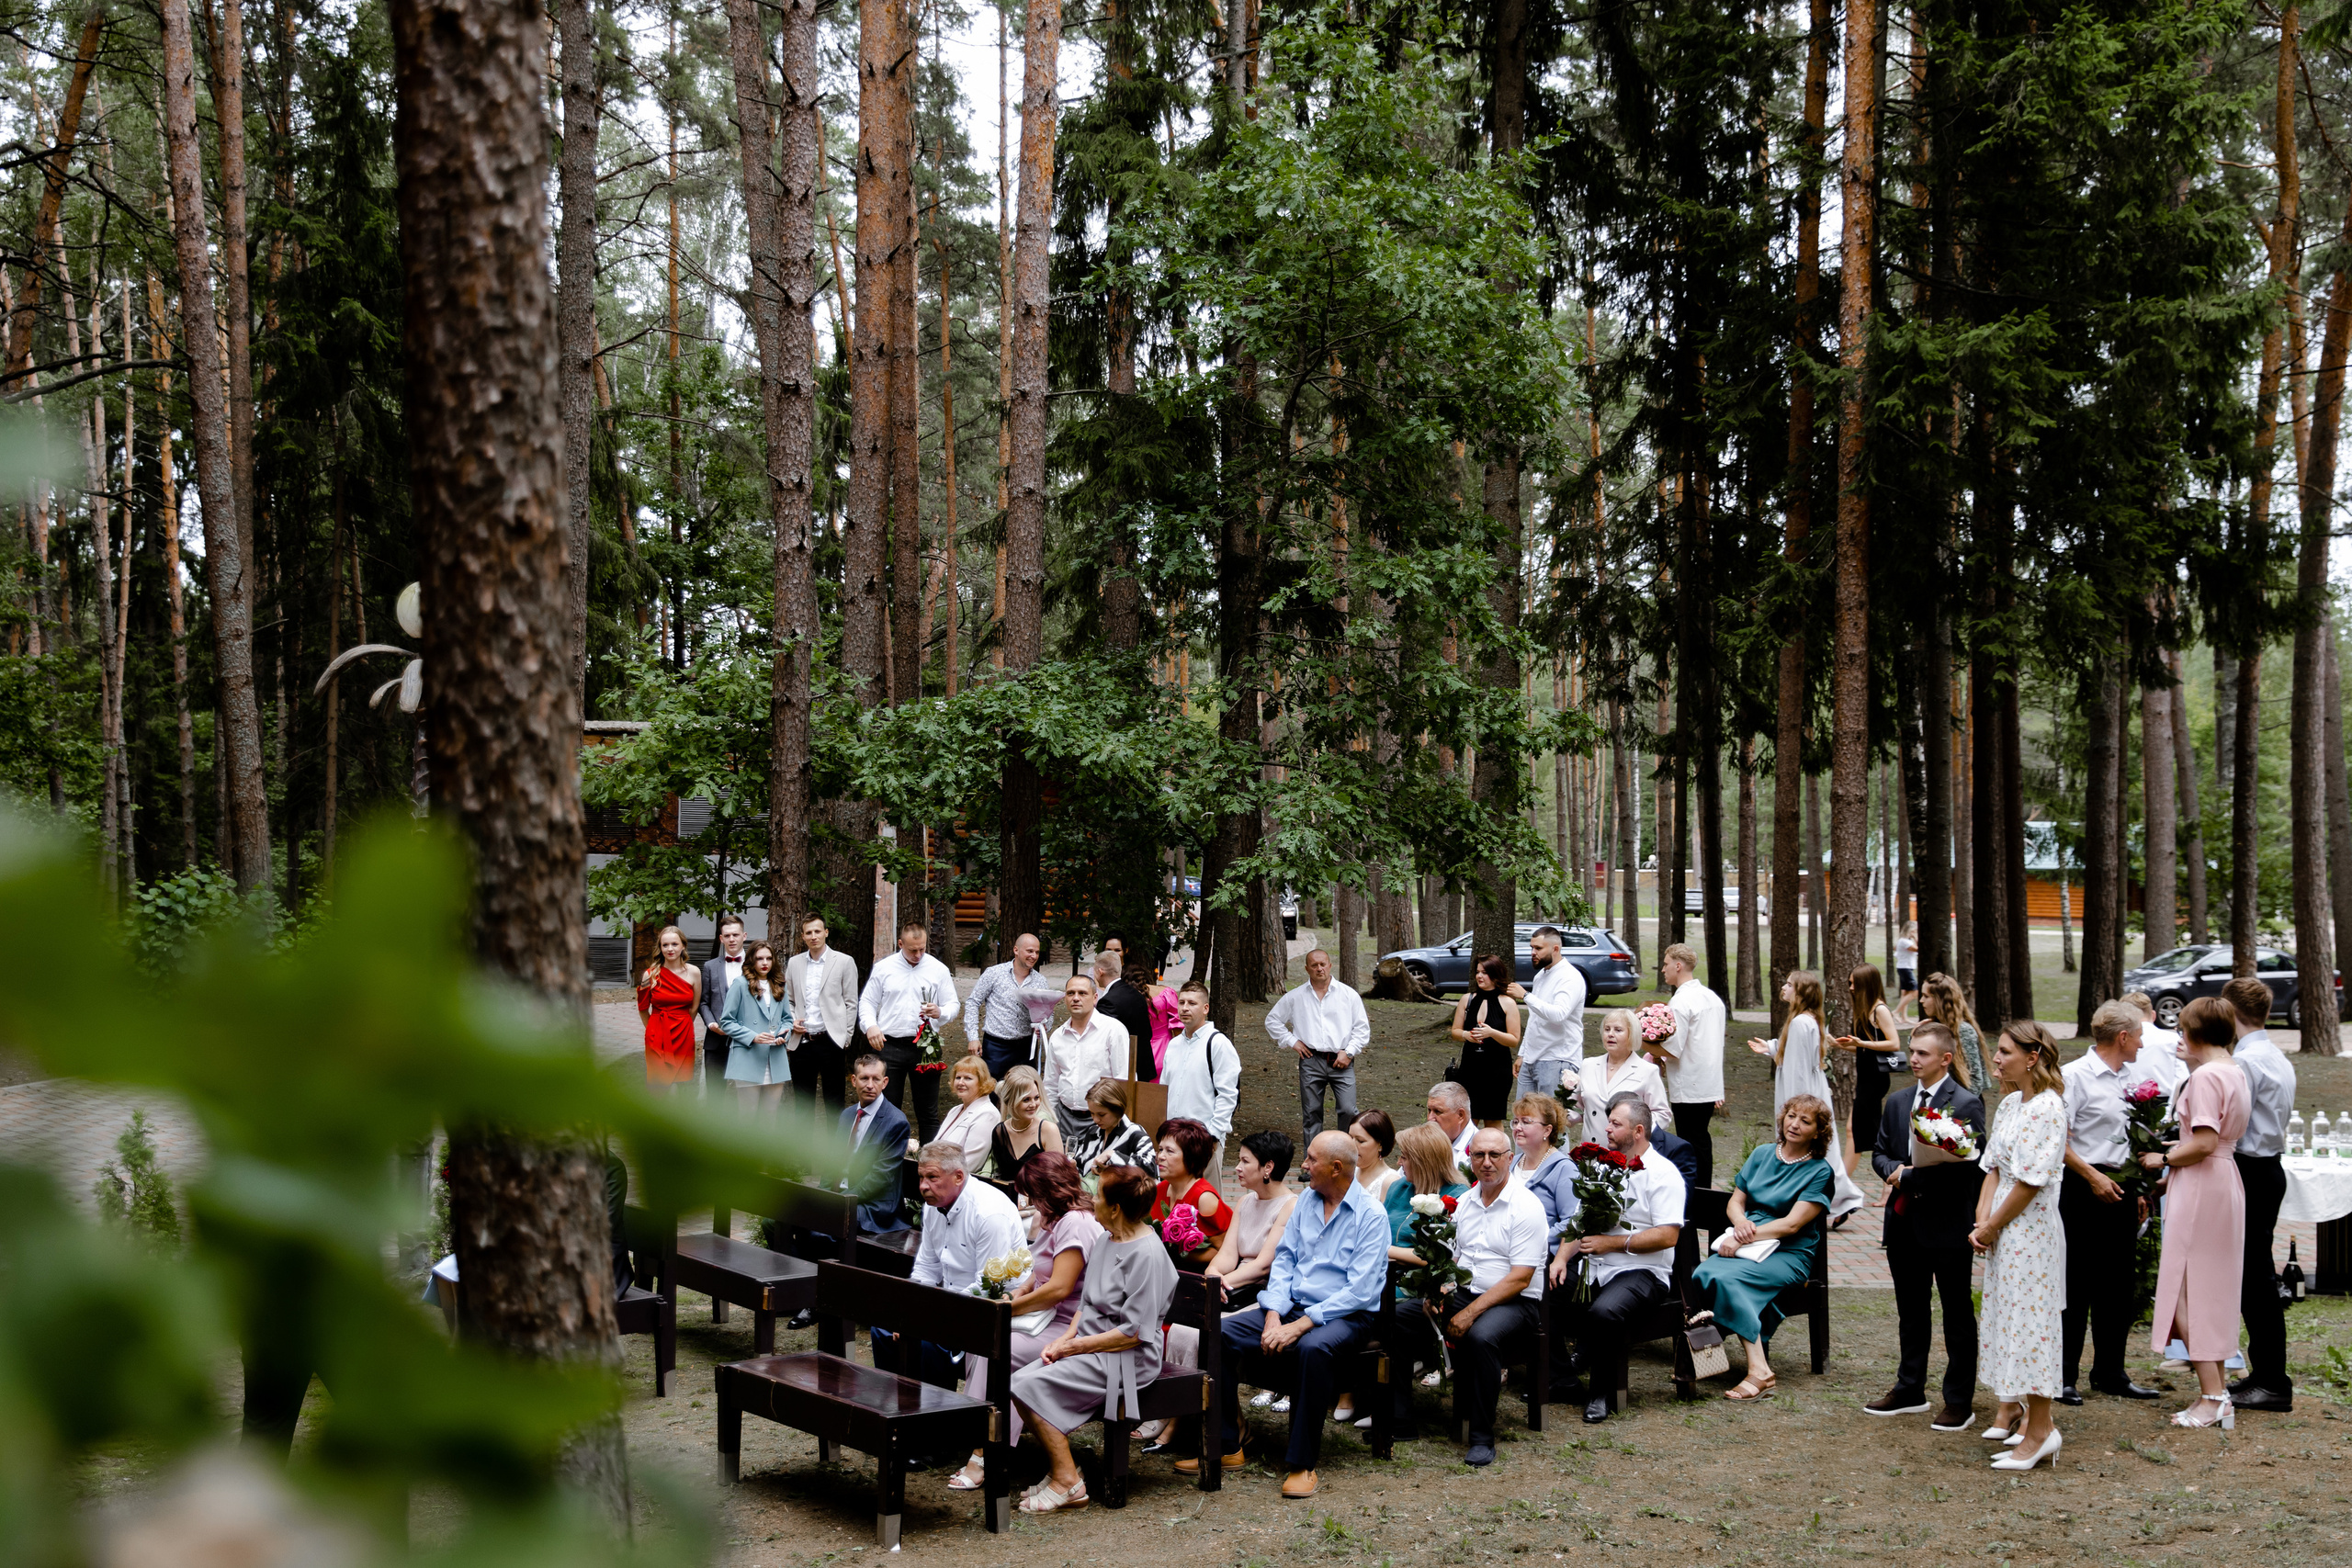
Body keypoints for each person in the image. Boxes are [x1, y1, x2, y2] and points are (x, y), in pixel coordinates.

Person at [1201, 1130, 1390, 1499]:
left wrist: (1301, 1325)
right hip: (1293, 1306)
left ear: (1336, 1168)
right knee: (1216, 1334)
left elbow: (1360, 1290)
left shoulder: (1371, 1215)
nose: (1303, 1166)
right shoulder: (1306, 1201)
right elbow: (1284, 1260)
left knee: (1312, 1349)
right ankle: (1228, 1445)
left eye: (1311, 1160)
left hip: (1346, 1315)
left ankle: (1303, 1463)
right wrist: (1273, 1312)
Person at [1008, 1165, 1181, 1514]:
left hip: (1129, 1357)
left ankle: (1067, 1482)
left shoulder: (1146, 1255)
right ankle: (1065, 1472)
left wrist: (1073, 1347)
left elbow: (1132, 1333)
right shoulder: (1106, 1238)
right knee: (1020, 1381)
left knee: (1026, 1385)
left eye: (1099, 1195)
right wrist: (1065, 1339)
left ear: (1115, 1208)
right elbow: (1086, 1304)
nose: (1092, 1200)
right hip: (1093, 1344)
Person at [946, 1151, 1103, 1490]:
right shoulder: (1053, 1219)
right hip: (1044, 1317)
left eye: (1034, 1193)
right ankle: (989, 1439)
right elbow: (1037, 1271)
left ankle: (985, 1452)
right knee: (983, 1345)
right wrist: (1017, 1295)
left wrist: (1009, 1310)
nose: (1031, 1201)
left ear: (1052, 1189)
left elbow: (1060, 1288)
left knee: (999, 1350)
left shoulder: (1077, 1222)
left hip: (1069, 1324)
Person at [1865, 1020, 1985, 1428]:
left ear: (1945, 1059)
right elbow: (1880, 1152)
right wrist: (1892, 1171)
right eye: (1912, 1051)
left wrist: (1910, 1176)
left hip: (1948, 1223)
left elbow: (1970, 1169)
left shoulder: (1966, 1103)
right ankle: (1909, 1388)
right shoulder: (1898, 1102)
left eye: (1922, 1054)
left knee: (1956, 1313)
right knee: (1911, 1310)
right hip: (1903, 1223)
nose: (1913, 1059)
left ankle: (1958, 1399)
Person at [2141, 996, 2252, 1430]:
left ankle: (2213, 1396)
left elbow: (2204, 1142)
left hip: (2204, 1182)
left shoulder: (2205, 1076)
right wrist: (2178, 1158)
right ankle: (2217, 1391)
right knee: (2210, 1288)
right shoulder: (2234, 1071)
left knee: (2187, 1290)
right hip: (2219, 1179)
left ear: (2193, 1032)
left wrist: (2161, 1160)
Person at [1415, 1127, 1549, 1462]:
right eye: (1479, 1155)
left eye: (1494, 1155)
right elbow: (1454, 1258)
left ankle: (1481, 1436)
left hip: (1516, 1302)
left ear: (1509, 1159)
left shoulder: (1526, 1206)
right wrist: (1439, 1291)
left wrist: (1469, 1312)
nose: (1486, 1163)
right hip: (1467, 1291)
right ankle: (1400, 1418)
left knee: (1481, 1337)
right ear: (1470, 1159)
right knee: (1405, 1316)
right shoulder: (1465, 1202)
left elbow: (1520, 1278)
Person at [1972, 1021, 2071, 1471]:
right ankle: (2028, 1422)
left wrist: (1993, 1226)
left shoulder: (2049, 1109)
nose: (1996, 1057)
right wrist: (1982, 1221)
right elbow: (1992, 1168)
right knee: (2011, 1323)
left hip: (2031, 1233)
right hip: (2002, 1229)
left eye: (2005, 1051)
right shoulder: (2012, 1103)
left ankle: (2042, 1431)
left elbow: (2030, 1183)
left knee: (2033, 1327)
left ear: (2032, 1058)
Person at [1692, 1094, 1838, 1401]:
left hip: (1790, 1252)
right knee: (1703, 1274)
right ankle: (1709, 1359)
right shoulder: (1761, 1154)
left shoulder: (1820, 1171)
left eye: (1805, 1121)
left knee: (1729, 1281)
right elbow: (1736, 1200)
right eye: (1791, 1116)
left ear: (1818, 1131)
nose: (1794, 1125)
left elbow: (1792, 1225)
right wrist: (1740, 1223)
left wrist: (1744, 1234)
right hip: (1749, 1239)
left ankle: (1759, 1370)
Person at [1554, 1096, 1686, 1426]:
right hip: (1595, 1266)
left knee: (1605, 1311)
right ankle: (1561, 1377)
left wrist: (1610, 1243)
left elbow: (1668, 1236)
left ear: (1638, 1131)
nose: (1607, 1128)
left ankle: (1602, 1393)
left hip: (1643, 1270)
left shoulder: (1663, 1174)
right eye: (1608, 1121)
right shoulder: (1601, 1167)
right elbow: (1579, 1220)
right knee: (1541, 1286)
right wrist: (1559, 1260)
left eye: (1615, 1123)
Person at [2056, 1001, 2164, 1405]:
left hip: (2122, 1189)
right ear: (2123, 1037)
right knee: (2077, 1282)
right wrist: (2093, 1177)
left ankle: (2110, 1372)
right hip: (2082, 1188)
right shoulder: (2074, 1077)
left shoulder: (2135, 1077)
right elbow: (2059, 1141)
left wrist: (2140, 1190)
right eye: (2138, 1035)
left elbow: (2139, 1139)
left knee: (2117, 1285)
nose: (2141, 1042)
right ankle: (2064, 1375)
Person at [875, 1141, 1028, 1395]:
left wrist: (929, 1317)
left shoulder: (989, 1214)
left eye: (932, 1177)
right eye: (921, 1177)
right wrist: (910, 1311)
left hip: (988, 1311)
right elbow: (926, 1267)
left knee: (926, 1342)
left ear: (958, 1176)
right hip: (948, 1303)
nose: (923, 1186)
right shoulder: (933, 1207)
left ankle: (938, 1416)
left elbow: (986, 1287)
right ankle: (895, 1405)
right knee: (883, 1329)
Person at [2222, 976, 2297, 1412]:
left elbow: (2232, 1122)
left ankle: (2272, 1381)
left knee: (2256, 1281)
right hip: (2268, 1167)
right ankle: (2264, 1373)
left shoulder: (2246, 1063)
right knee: (2255, 1276)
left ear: (2231, 1015)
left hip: (2251, 1169)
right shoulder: (2274, 1055)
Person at [1753, 970, 1864, 1219]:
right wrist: (1770, 1047)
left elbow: (1799, 1065)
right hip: (1809, 1087)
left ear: (1801, 992)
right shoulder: (1807, 1019)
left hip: (1802, 1089)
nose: (1784, 987)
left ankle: (1835, 1198)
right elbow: (1796, 1051)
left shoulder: (1801, 1023)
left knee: (1810, 1146)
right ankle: (1838, 1198)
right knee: (1821, 1146)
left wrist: (1795, 1108)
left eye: (1789, 984)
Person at [1381, 1122, 1472, 1406]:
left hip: (1425, 1283)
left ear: (1423, 1161)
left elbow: (1433, 1256)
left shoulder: (1455, 1196)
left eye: (1405, 1156)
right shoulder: (1400, 1188)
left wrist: (1385, 1250)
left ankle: (1383, 1401)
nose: (1399, 1162)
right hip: (1385, 1272)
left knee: (1377, 1313)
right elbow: (1379, 1229)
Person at [857, 920, 960, 1144]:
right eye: (913, 949)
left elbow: (954, 1005)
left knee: (928, 1112)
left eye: (922, 949)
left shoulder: (938, 969)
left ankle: (927, 1166)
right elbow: (866, 1002)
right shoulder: (884, 968)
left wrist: (940, 1011)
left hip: (926, 1046)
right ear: (900, 943)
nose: (918, 954)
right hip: (889, 1045)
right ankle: (887, 1165)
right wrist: (870, 1026)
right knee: (885, 1109)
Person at [1265, 948, 1371, 1142]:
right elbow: (1272, 1020)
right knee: (1311, 1114)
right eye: (1314, 965)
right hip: (1311, 1061)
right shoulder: (1296, 997)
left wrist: (1349, 1052)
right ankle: (1312, 1166)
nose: (1319, 969)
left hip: (1342, 1061)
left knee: (1348, 1110)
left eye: (1323, 964)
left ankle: (1345, 1157)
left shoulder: (1348, 995)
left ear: (1330, 966)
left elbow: (1362, 1028)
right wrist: (1292, 1041)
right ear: (1307, 969)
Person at [1650, 942, 1727, 1187]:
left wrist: (1644, 1044)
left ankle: (1696, 1195)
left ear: (1678, 965)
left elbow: (1673, 1050)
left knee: (1691, 1143)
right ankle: (1704, 1192)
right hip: (1709, 1081)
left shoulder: (1681, 1002)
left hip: (1690, 1084)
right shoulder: (1712, 998)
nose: (1663, 969)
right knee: (1702, 1140)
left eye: (1665, 964)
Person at [1211, 1132, 1299, 1311]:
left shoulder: (1291, 1206)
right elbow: (1227, 1254)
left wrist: (1220, 1284)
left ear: (1268, 1167)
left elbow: (1264, 1266)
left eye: (1245, 1161)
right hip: (1233, 1287)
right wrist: (1212, 1274)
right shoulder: (1245, 1202)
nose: (1237, 1167)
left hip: (1263, 1293)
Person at [1160, 980, 1240, 1174]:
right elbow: (1164, 1090)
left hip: (1203, 1141)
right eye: (1181, 1003)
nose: (1185, 1008)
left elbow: (1228, 1095)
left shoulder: (1218, 1043)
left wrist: (1212, 1137)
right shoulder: (1173, 1044)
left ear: (1206, 1008)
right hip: (1173, 1140)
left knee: (1205, 1200)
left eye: (1192, 1003)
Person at [1042, 973, 1130, 1145]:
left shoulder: (1113, 1030)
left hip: (1102, 1119)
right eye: (1070, 993)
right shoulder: (1058, 1036)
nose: (1076, 998)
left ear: (1095, 997)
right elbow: (1051, 1084)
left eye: (1082, 993)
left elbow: (1123, 1079)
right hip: (1064, 1118)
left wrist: (1118, 1123)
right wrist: (1050, 1119)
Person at [1835, 964, 1906, 1169]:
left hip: (1875, 1079)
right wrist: (1838, 1044)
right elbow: (1863, 1049)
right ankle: (1887, 1177)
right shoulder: (1864, 1009)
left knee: (1860, 1130)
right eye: (1849, 983)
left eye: (1854, 983)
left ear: (1866, 984)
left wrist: (1861, 1043)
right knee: (1858, 1130)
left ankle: (1846, 1182)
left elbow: (1894, 1043)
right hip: (1865, 1078)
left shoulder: (1879, 1010)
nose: (1850, 988)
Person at [786, 913, 859, 1114]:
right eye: (808, 932)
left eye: (817, 931)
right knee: (802, 1102)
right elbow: (788, 1000)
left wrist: (846, 1037)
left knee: (834, 1101)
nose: (813, 936)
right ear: (802, 936)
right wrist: (792, 1021)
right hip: (802, 1041)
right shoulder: (794, 963)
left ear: (826, 933)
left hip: (831, 1040)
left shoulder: (844, 962)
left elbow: (851, 1002)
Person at [1508, 925, 1587, 1104]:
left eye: (1538, 948)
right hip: (1531, 1059)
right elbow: (1535, 1019)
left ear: (1555, 949)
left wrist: (1525, 996)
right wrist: (1523, 1054)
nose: (1533, 952)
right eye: (1531, 948)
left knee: (1552, 1121)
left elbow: (1559, 1014)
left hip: (1557, 1059)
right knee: (1524, 1118)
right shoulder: (1540, 976)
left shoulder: (1570, 977)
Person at [718, 939, 794, 1115]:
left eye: (769, 958)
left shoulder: (780, 984)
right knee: (748, 1117)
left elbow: (787, 1019)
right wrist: (753, 1036)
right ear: (752, 960)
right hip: (748, 1056)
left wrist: (784, 1034)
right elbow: (726, 1021)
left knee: (770, 1116)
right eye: (760, 958)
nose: (765, 963)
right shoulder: (740, 984)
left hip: (775, 1057)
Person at [1448, 955, 1522, 1128]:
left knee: (1492, 1118)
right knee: (1467, 1118)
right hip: (1470, 1067)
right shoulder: (1467, 999)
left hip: (1497, 1070)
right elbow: (1455, 1032)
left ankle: (1497, 1153)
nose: (1480, 976)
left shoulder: (1508, 1003)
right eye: (1478, 972)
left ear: (1496, 975)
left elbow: (1514, 1040)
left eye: (1485, 973)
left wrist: (1492, 1033)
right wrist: (1466, 1035)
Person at [840, 1052, 910, 1233]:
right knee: (774, 1222)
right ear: (854, 1080)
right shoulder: (847, 1115)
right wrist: (823, 1195)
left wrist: (840, 1201)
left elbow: (880, 1177)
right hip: (841, 1196)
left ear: (885, 1082)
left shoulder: (896, 1122)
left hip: (873, 1206)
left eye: (876, 1079)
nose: (870, 1085)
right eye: (864, 1078)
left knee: (817, 1229)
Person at [964, 931, 1049, 1080]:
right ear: (1016, 950)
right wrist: (973, 1037)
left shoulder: (1040, 981)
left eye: (1037, 952)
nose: (1034, 956)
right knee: (991, 1094)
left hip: (1026, 1048)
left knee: (1023, 1096)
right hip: (995, 1047)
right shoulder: (994, 973)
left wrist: (1044, 1027)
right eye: (1030, 951)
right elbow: (973, 1002)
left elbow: (1048, 1013)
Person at [1571, 1008, 1670, 1136]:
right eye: (1607, 1029)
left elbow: (1662, 1115)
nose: (1610, 1034)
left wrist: (1635, 1129)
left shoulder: (1647, 1071)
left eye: (1618, 1030)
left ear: (1631, 1035)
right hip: (1591, 1150)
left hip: (1627, 1151)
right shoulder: (1588, 1065)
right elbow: (1575, 1108)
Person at [1150, 1115, 1229, 1261]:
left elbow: (1224, 1252)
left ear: (1192, 1158)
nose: (1160, 1156)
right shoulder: (1159, 1190)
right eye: (1160, 1149)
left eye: (1169, 1151)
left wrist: (1178, 1253)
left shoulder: (1204, 1198)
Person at [637, 925, 700, 1090]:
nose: (670, 949)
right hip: (657, 1034)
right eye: (665, 945)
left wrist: (684, 1023)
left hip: (684, 1033)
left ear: (683, 946)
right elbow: (643, 1008)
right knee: (657, 1085)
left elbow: (694, 1007)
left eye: (674, 944)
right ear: (660, 948)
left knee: (685, 1086)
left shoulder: (694, 972)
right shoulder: (649, 975)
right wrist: (653, 1029)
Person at [697, 916, 749, 1096]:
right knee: (715, 1094)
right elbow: (703, 1002)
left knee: (747, 1094)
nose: (732, 939)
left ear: (744, 936)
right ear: (721, 938)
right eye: (727, 936)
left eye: (735, 934)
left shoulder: (756, 964)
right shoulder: (710, 966)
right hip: (716, 1039)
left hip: (748, 1039)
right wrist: (712, 1024)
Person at [987, 1065, 1065, 1182]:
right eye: (1026, 1100)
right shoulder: (1000, 1131)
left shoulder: (1048, 1130)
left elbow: (1058, 1178)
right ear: (1011, 1101)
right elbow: (999, 1176)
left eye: (1036, 1097)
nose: (1033, 1104)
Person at [1070, 1077, 1156, 1177]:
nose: (1095, 1120)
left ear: (1118, 1110)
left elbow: (1150, 1169)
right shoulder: (1093, 1132)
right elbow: (1081, 1168)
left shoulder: (1135, 1134)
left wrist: (1112, 1155)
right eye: (1092, 1113)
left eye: (1101, 1114)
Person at [1093, 950, 1156, 1084]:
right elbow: (1147, 1032)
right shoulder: (1136, 994)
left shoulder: (1108, 1002)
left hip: (1124, 1069)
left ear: (1100, 971)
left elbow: (1103, 1038)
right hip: (1143, 1064)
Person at [934, 1055, 1004, 1175]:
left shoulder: (987, 1114)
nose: (961, 1082)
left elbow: (970, 1163)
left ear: (982, 1081)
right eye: (958, 1077)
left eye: (968, 1078)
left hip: (957, 1182)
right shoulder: (955, 1110)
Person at [1917, 972, 1984, 1092]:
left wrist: (1958, 1107)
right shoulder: (1931, 1028)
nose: (1921, 1001)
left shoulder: (1963, 1031)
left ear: (1940, 1000)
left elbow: (1976, 1080)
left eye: (1926, 996)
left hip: (1963, 1103)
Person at [2121, 991, 2188, 1098]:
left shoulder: (2121, 1043)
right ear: (2153, 1015)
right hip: (2169, 1102)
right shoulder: (2174, 1039)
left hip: (2128, 1103)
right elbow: (2183, 1077)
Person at [1347, 1109, 1400, 1200]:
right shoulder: (1348, 1171)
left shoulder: (1390, 1182)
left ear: (1380, 1145)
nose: (1352, 1145)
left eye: (1360, 1141)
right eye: (1350, 1137)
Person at [1426, 1080, 1476, 1166]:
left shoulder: (1482, 1153)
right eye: (1429, 1110)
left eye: (1437, 1111)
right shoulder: (1424, 1141)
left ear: (1460, 1115)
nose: (1430, 1118)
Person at [1894, 921, 1919, 1015]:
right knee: (1914, 992)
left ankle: (1903, 1017)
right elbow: (1918, 949)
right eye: (1915, 930)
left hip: (1905, 967)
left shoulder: (1906, 941)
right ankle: (1896, 1012)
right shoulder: (1904, 942)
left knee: (1905, 993)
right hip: (1905, 968)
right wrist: (1915, 937)